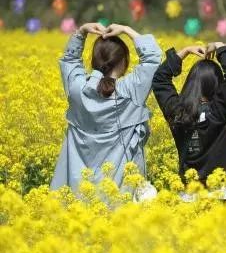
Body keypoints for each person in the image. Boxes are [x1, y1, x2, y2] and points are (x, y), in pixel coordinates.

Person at [51, 23, 162, 192]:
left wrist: (81, 32)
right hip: (118, 199)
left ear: (94, 61)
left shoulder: (77, 89)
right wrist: (126, 29)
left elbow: (69, 60)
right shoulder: (130, 91)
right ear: (124, 61)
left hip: (77, 198)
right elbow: (152, 58)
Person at [151, 40, 226, 185]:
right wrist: (219, 46)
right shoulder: (219, 110)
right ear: (218, 84)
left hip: (190, 190)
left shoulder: (177, 113)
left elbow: (159, 80)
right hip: (223, 190)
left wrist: (184, 51)